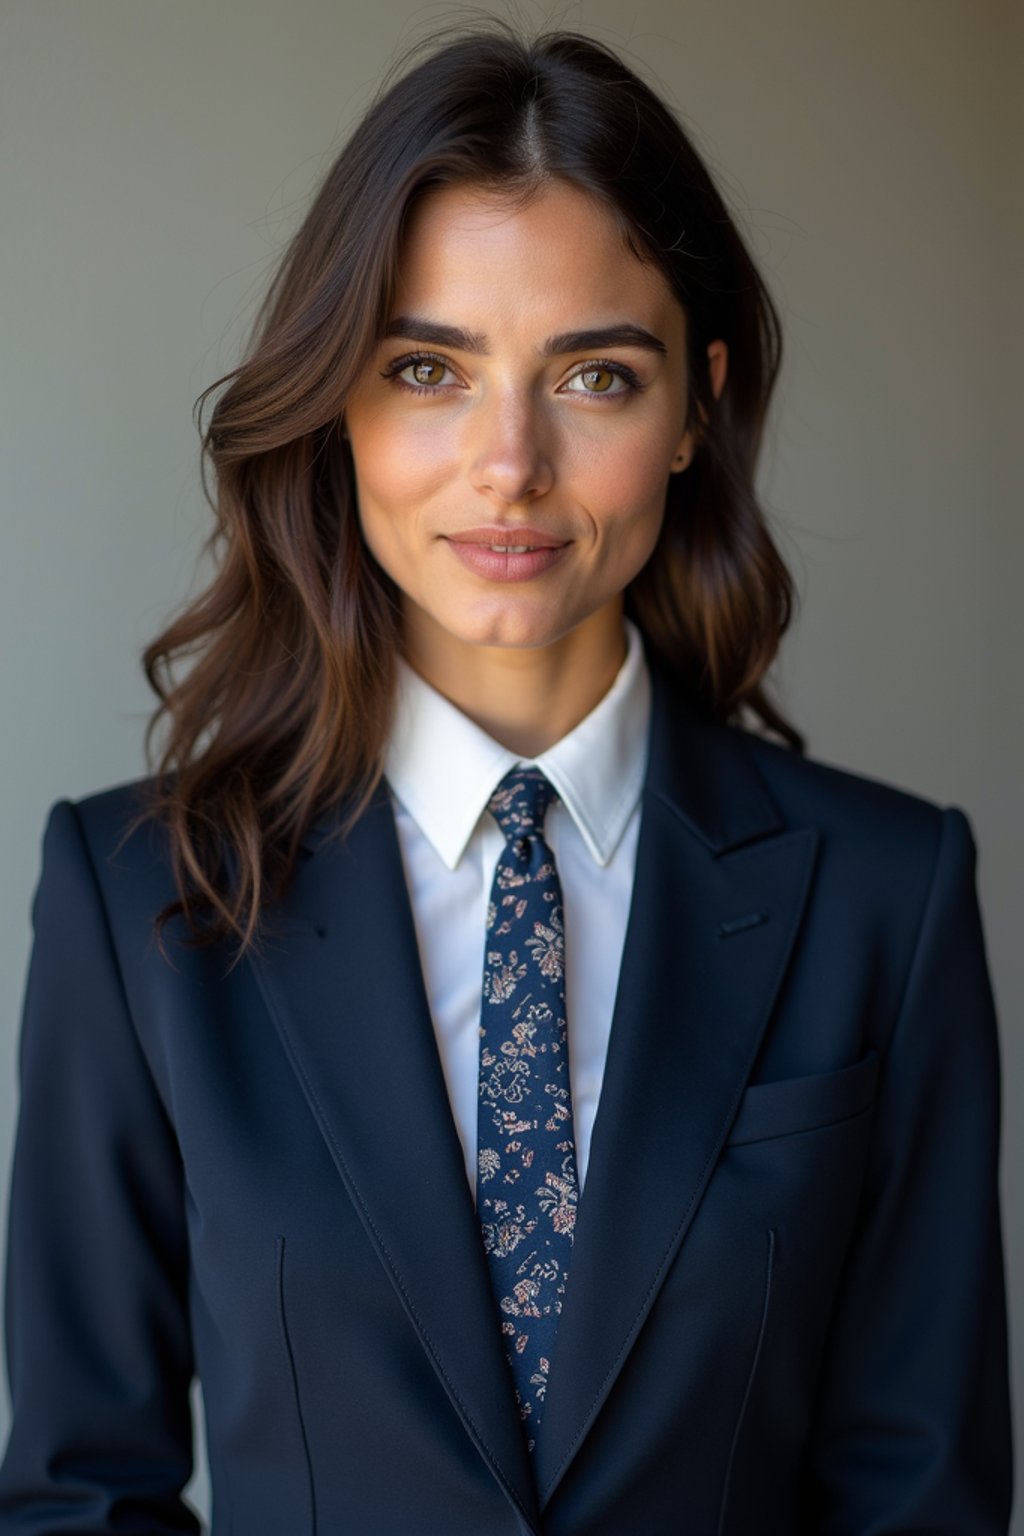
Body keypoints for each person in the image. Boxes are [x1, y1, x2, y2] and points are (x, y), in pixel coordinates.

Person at [0, 21, 1012, 1536]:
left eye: (595, 376)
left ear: (695, 408)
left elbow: (920, 1498)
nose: (510, 465)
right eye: (428, 369)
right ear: (341, 404)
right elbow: (79, 1496)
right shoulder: (140, 897)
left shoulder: (889, 898)